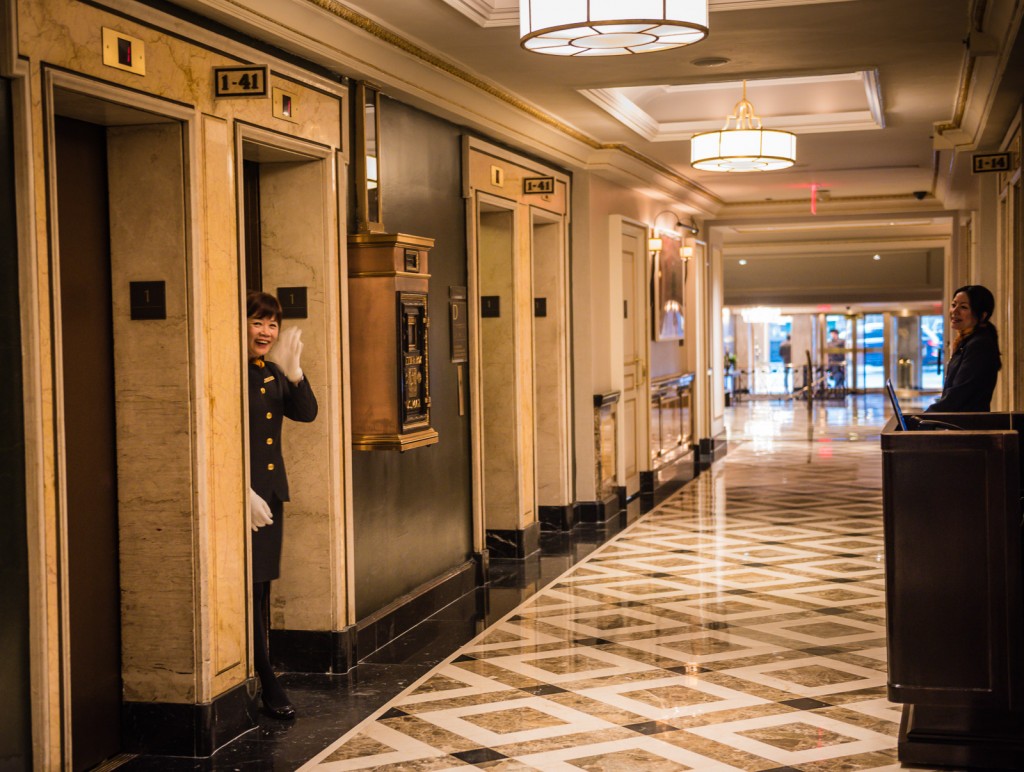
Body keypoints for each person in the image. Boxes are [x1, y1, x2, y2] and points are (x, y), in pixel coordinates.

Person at [246, 290, 318, 719]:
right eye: (258, 322)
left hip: (270, 495)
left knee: (261, 587)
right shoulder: (227, 372)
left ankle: (261, 672)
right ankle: (266, 679)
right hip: (245, 497)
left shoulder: (271, 372)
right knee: (249, 589)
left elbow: (306, 413)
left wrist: (294, 372)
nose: (266, 331)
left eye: (272, 324)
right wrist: (239, 491)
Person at [926, 284, 1001, 412]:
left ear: (982, 316)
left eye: (963, 307)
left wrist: (920, 419)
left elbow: (959, 394)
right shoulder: (967, 341)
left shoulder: (979, 345)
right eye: (954, 305)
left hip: (967, 426)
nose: (955, 311)